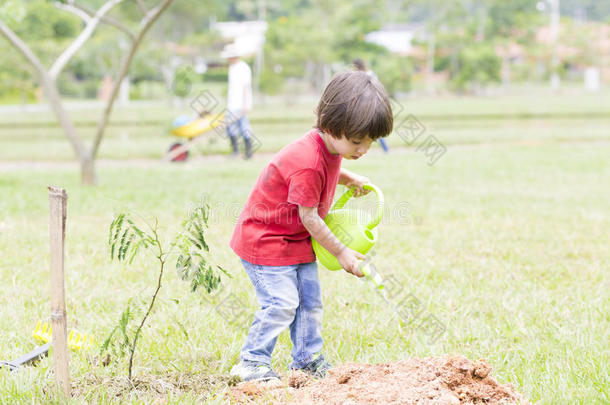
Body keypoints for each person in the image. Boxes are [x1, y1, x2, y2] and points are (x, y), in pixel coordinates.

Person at [229, 71, 393, 382]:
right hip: (266, 240)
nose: (364, 149)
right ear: (331, 125)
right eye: (357, 141)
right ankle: (251, 361)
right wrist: (342, 251)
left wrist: (347, 177)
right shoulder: (306, 160)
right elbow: (310, 216)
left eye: (371, 142)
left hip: (295, 240)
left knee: (309, 301)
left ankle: (306, 360)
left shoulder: (329, 147)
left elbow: (328, 167)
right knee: (282, 303)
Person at [221, 43, 254, 159]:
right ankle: (235, 151)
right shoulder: (232, 68)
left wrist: (245, 105)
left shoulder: (243, 67)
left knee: (244, 127)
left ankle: (249, 152)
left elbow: (246, 87)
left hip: (241, 104)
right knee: (230, 128)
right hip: (232, 104)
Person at [352, 58, 390, 153]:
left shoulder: (366, 75)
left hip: (370, 106)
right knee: (371, 129)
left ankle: (385, 149)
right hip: (368, 105)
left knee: (373, 128)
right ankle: (385, 150)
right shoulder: (369, 74)